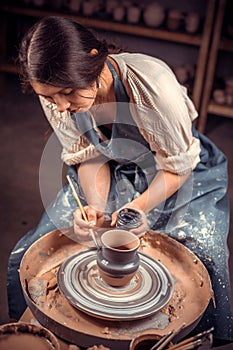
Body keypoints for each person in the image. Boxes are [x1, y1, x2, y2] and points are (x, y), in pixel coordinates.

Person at [7, 16, 233, 344]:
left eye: (68, 93)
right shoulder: (56, 95)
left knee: (202, 254)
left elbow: (177, 166)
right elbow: (89, 155)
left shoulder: (153, 84)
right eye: (51, 97)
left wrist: (138, 208)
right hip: (112, 165)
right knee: (32, 253)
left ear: (93, 60)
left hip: (174, 168)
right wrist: (96, 209)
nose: (60, 106)